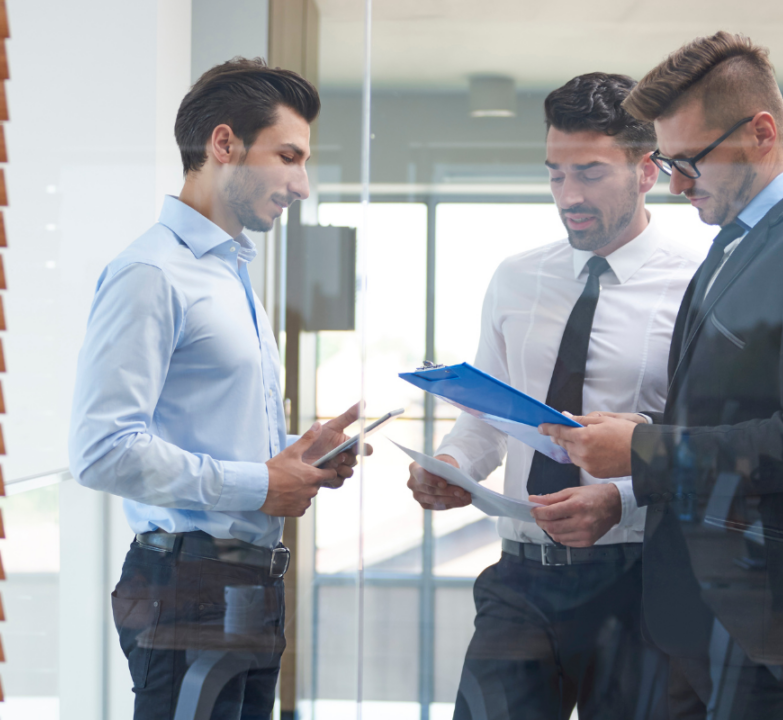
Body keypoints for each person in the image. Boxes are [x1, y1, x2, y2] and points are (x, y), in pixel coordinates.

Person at [542, 32, 783, 720]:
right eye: (669, 162)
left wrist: (645, 450)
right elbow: (718, 423)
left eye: (690, 161)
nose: (676, 184)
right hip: (703, 625)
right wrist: (629, 473)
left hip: (780, 632)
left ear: (760, 132)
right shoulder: (734, 246)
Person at [69, 58, 363, 720]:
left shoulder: (229, 273)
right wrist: (261, 483)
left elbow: (209, 431)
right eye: (288, 157)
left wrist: (298, 452)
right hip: (186, 584)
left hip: (246, 583)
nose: (303, 184)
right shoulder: (151, 273)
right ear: (223, 144)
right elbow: (102, 449)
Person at [406, 72, 703, 720]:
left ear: (646, 170)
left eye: (591, 174)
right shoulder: (516, 279)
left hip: (639, 580)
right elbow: (485, 419)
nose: (569, 195)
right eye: (556, 175)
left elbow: (702, 445)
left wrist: (617, 498)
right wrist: (451, 466)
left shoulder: (697, 286)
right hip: (520, 578)